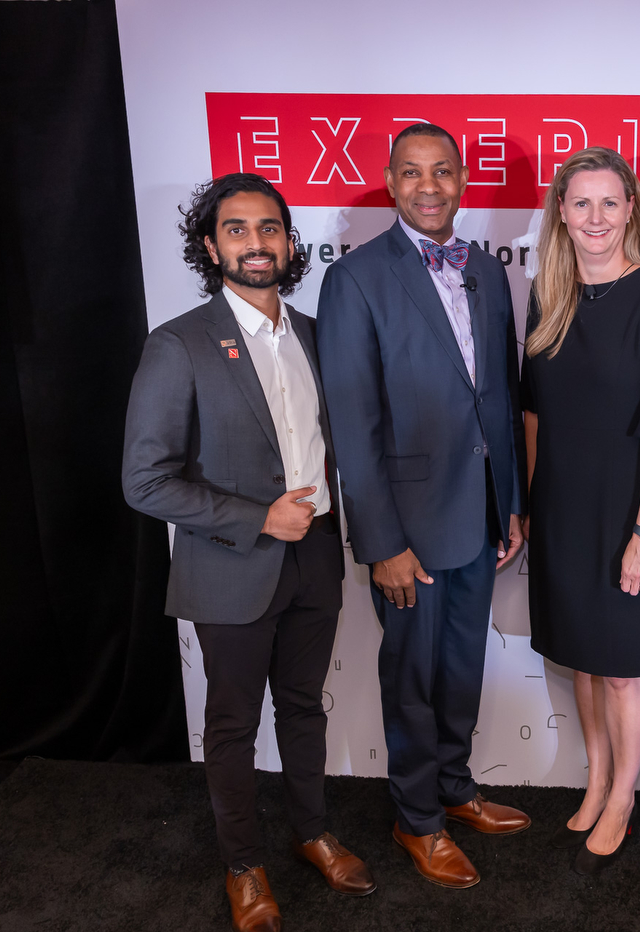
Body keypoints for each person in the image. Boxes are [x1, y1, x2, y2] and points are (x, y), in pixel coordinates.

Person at [123, 173, 373, 932]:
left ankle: (311, 833)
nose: (256, 243)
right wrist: (256, 517)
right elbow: (143, 481)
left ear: (288, 243)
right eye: (237, 230)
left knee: (303, 708)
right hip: (230, 567)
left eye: (269, 229)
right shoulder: (178, 344)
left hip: (317, 560)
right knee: (232, 725)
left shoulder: (314, 333)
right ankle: (243, 864)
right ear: (211, 245)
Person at [315, 123, 529, 890]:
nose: (430, 186)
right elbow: (352, 418)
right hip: (407, 527)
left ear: (462, 179)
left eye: (443, 171)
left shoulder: (483, 267)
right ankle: (417, 820)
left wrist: (511, 501)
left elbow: (498, 393)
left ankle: (454, 787)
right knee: (412, 674)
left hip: (479, 514)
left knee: (461, 668)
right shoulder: (356, 279)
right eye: (413, 173)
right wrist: (381, 541)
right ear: (390, 181)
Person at [520, 146, 640, 874]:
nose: (595, 218)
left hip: (629, 511)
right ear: (561, 212)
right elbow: (532, 413)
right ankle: (596, 778)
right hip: (562, 509)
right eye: (581, 203)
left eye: (609, 202)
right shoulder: (547, 295)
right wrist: (531, 508)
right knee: (585, 662)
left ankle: (625, 795)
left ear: (632, 209)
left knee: (623, 669)